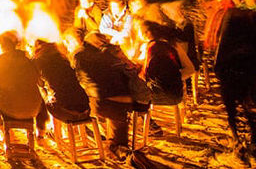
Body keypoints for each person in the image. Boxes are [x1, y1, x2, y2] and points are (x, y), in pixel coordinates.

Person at [205, 0, 256, 162]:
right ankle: (254, 147)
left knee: (233, 110)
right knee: (247, 107)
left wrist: (218, 67)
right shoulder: (254, 14)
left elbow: (224, 43)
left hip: (231, 67)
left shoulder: (232, 14)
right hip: (250, 67)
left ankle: (240, 148)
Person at [73, 31, 148, 159]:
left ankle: (115, 146)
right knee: (118, 127)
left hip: (103, 102)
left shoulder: (80, 55)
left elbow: (82, 81)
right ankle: (117, 144)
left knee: (89, 106)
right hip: (125, 100)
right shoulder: (110, 55)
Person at [0, 31, 47, 126]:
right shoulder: (29, 61)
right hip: (33, 110)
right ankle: (41, 132)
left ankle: (4, 134)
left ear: (1, 46)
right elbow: (41, 83)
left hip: (9, 110)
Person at [32, 32, 91, 123]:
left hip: (65, 111)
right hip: (86, 109)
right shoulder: (64, 58)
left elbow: (40, 84)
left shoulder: (38, 61)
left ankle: (43, 131)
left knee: (42, 96)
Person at [138, 21, 185, 106]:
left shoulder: (151, 47)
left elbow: (145, 74)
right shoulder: (170, 45)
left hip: (160, 96)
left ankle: (143, 115)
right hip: (177, 95)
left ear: (148, 33)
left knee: (133, 91)